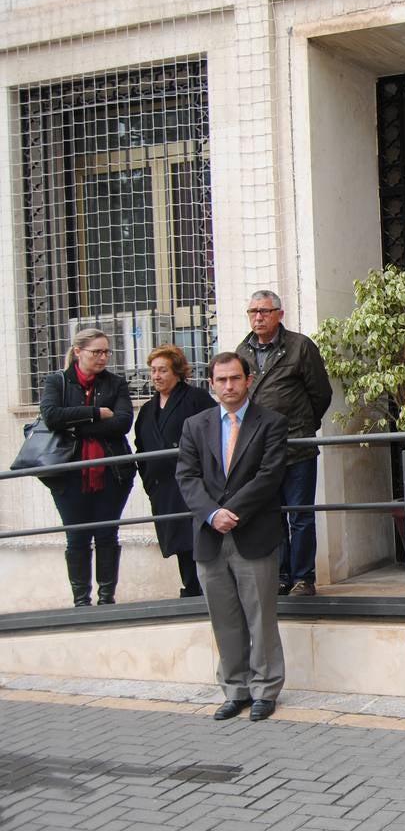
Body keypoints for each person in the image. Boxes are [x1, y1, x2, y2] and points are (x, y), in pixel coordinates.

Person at [175, 352, 288, 722]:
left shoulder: (270, 423)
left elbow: (269, 475)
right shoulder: (195, 425)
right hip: (210, 537)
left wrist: (230, 512)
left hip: (252, 532)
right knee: (224, 618)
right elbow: (187, 477)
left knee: (260, 617)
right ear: (211, 385)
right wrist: (211, 514)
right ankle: (235, 689)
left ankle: (265, 689)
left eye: (235, 379)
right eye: (221, 380)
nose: (228, 386)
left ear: (248, 379)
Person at [235, 290, 333, 597]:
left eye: (264, 311)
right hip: (260, 449)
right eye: (253, 311)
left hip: (296, 445)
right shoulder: (243, 350)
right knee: (270, 514)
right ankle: (281, 574)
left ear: (280, 313)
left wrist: (304, 426)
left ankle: (304, 577)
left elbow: (321, 393)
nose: (258, 317)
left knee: (300, 514)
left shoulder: (300, 346)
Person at [39, 328, 135, 607]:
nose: (103, 357)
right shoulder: (57, 382)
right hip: (68, 476)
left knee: (107, 534)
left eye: (106, 352)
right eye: (97, 352)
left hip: (111, 474)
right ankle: (81, 601)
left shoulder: (115, 383)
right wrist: (95, 413)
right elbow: (52, 417)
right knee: (77, 537)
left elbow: (122, 423)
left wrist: (75, 426)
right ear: (78, 351)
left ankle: (107, 598)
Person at [133, 345, 217, 597]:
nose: (156, 376)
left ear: (177, 372)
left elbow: (212, 435)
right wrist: (149, 480)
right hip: (164, 487)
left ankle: (205, 587)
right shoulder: (148, 409)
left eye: (163, 370)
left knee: (198, 536)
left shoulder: (195, 398)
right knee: (180, 541)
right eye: (153, 371)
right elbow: (141, 445)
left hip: (192, 483)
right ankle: (190, 585)